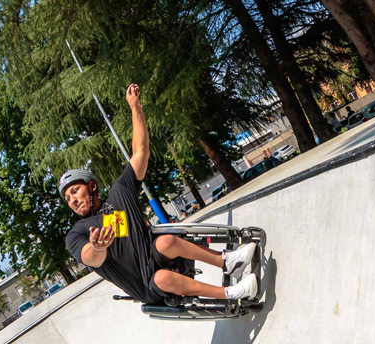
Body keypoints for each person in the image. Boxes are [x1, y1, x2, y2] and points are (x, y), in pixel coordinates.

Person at [62, 84, 257, 306]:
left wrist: (135, 108)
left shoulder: (119, 195)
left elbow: (140, 152)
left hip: (161, 258)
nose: (73, 200)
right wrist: (98, 247)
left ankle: (228, 261)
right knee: (162, 277)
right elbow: (90, 257)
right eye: (68, 199)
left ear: (92, 187)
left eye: (75, 191)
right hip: (148, 287)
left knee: (165, 242)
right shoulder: (76, 233)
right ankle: (232, 293)